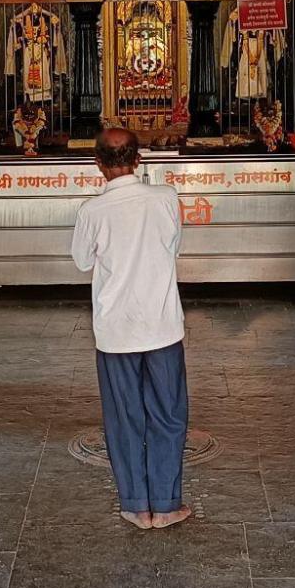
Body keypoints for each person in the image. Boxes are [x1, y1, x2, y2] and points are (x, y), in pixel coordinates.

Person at [71, 126, 190, 530]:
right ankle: (167, 503)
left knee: (124, 418)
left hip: (116, 329)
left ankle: (137, 505)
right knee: (168, 415)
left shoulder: (91, 211)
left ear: (98, 164)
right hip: (161, 325)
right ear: (139, 160)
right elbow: (173, 247)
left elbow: (83, 261)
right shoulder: (166, 199)